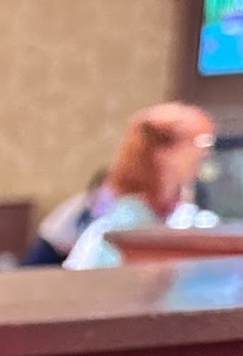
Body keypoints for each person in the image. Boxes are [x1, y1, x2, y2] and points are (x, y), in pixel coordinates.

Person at [64, 103, 216, 270]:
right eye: (199, 143)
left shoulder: (185, 214)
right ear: (162, 152)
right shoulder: (123, 222)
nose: (205, 152)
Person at [21, 168, 110, 266]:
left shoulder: (109, 210)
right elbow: (54, 232)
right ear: (95, 187)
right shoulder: (79, 203)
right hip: (52, 247)